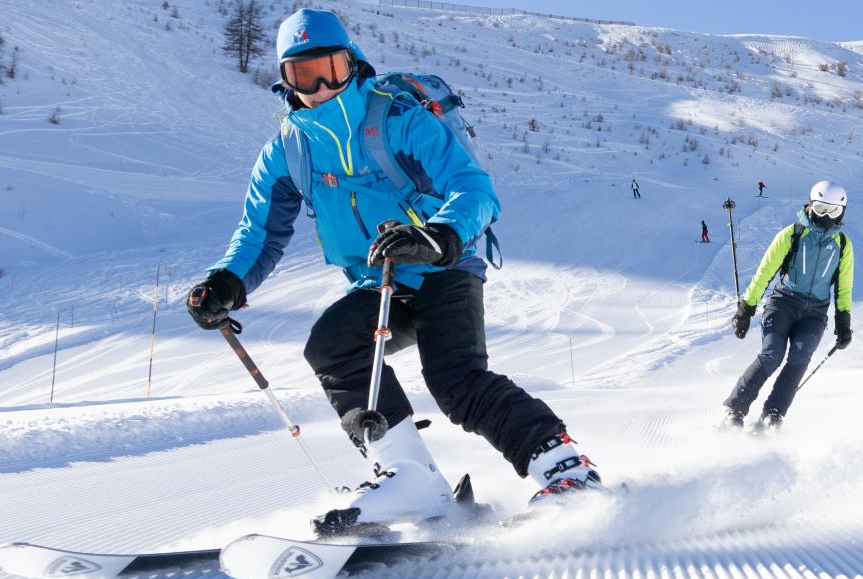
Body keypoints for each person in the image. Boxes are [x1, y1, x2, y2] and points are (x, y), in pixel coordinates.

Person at [186, 9, 602, 536]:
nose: (319, 86)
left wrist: (437, 237)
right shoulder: (289, 149)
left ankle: (566, 469)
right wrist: (227, 282)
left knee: (456, 380)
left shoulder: (397, 119)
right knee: (332, 344)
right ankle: (409, 477)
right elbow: (261, 233)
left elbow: (473, 188)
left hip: (439, 265)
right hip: (373, 282)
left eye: (330, 69)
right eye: (302, 74)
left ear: (351, 62)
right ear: (284, 82)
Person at [720, 180, 855, 433]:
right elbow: (764, 273)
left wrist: (843, 323)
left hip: (814, 314)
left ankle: (773, 413)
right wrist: (745, 309)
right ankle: (735, 409)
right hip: (783, 303)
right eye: (820, 209)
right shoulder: (792, 234)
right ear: (810, 205)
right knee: (772, 354)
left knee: (800, 357)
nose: (825, 216)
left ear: (842, 212)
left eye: (833, 211)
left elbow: (844, 289)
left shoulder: (844, 246)